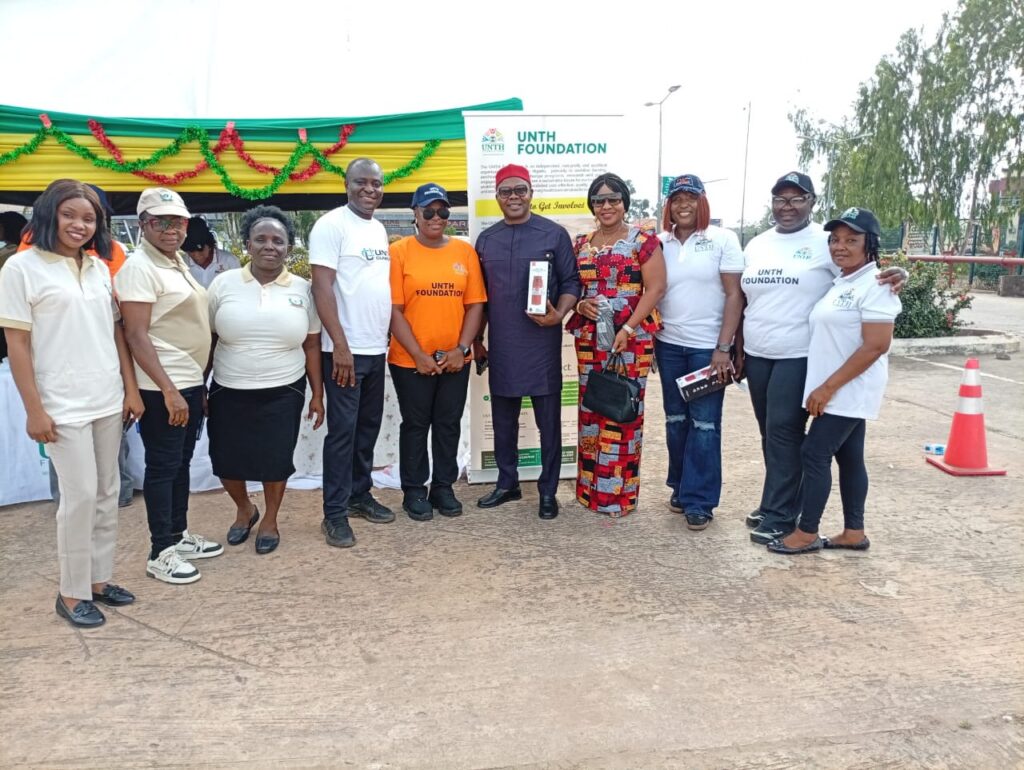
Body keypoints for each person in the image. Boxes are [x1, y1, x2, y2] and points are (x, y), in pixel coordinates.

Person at [0, 179, 143, 627]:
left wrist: (130, 389)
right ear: (49, 215)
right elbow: (17, 344)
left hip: (107, 399)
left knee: (107, 492)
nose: (80, 225)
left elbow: (116, 333)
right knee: (78, 497)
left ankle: (98, 580)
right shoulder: (21, 268)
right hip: (61, 404)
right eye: (69, 215)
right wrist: (34, 410)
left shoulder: (98, 267)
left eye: (89, 218)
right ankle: (71, 591)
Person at [739, 172, 906, 545]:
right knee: (773, 434)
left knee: (788, 436)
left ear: (811, 202)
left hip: (800, 357)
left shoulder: (823, 243)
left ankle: (785, 516)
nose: (787, 206)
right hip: (760, 352)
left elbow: (874, 290)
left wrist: (899, 275)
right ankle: (776, 503)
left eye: (797, 198)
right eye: (780, 199)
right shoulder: (759, 244)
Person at [116, 187, 224, 584]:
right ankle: (160, 550)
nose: (171, 229)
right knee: (163, 467)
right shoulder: (139, 267)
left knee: (179, 463)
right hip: (163, 385)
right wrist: (168, 390)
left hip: (187, 380)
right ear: (143, 224)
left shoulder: (174, 262)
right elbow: (136, 334)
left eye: (178, 222)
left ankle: (178, 535)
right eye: (161, 222)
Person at [207, 206, 325, 554]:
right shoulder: (223, 284)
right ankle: (245, 508)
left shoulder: (304, 290)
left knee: (275, 460)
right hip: (228, 387)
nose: (269, 246)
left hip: (284, 388)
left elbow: (312, 344)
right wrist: (200, 384)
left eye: (278, 240)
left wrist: (317, 394)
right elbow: (208, 338)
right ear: (248, 244)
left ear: (289, 247)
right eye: (261, 239)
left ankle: (270, 519)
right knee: (225, 460)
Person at [473, 164, 581, 520]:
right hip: (503, 345)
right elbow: (478, 298)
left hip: (541, 345)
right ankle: (508, 483)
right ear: (497, 197)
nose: (514, 197)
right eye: (506, 191)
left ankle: (548, 491)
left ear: (531, 193)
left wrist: (558, 314)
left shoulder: (554, 234)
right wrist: (477, 340)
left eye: (520, 190)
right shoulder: (486, 240)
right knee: (503, 422)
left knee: (548, 424)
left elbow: (571, 282)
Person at [566, 173, 666, 516]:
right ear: (591, 205)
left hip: (631, 340)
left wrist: (628, 327)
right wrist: (580, 306)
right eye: (599, 200)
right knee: (591, 408)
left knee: (622, 411)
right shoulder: (581, 244)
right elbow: (571, 287)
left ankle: (617, 496)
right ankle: (589, 492)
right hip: (590, 339)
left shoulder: (643, 241)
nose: (606, 205)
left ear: (625, 202)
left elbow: (656, 288)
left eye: (613, 199)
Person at [310, 157, 395, 549]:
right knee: (342, 434)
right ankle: (334, 513)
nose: (369, 189)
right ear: (346, 184)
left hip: (375, 349)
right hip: (345, 351)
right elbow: (322, 287)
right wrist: (340, 346)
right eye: (361, 182)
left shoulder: (377, 228)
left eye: (376, 183)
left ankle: (359, 495)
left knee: (367, 429)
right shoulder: (331, 225)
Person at [388, 183, 486, 520]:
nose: (435, 216)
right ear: (415, 214)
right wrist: (417, 354)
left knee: (448, 423)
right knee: (416, 424)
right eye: (427, 210)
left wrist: (461, 349)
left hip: (454, 359)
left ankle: (443, 487)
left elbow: (475, 305)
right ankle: (414, 490)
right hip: (409, 360)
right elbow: (394, 310)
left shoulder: (464, 252)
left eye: (442, 210)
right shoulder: (399, 252)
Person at [653, 174, 744, 530]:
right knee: (676, 421)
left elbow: (734, 295)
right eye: (676, 199)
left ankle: (700, 500)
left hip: (707, 348)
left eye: (690, 198)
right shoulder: (660, 242)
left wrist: (724, 347)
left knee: (704, 424)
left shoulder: (722, 239)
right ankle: (680, 486)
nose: (683, 205)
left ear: (702, 202)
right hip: (669, 345)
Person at [182, 216, 240, 288]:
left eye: (200, 250)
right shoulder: (181, 264)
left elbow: (238, 288)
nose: (196, 255)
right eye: (191, 250)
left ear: (209, 245)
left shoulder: (230, 261)